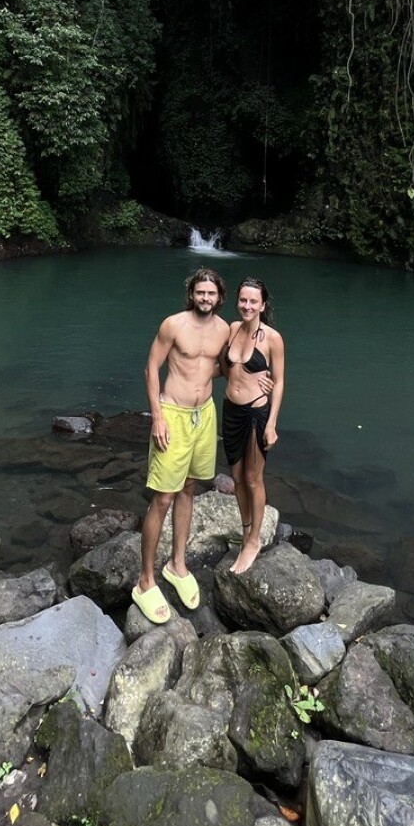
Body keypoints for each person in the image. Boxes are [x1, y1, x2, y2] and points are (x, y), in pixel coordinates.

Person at [132, 267, 271, 623]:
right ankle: (145, 581)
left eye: (211, 294)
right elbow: (151, 368)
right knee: (163, 496)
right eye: (200, 293)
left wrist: (259, 380)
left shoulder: (226, 329)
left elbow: (229, 366)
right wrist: (158, 417)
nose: (205, 298)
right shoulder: (173, 325)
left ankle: (177, 566)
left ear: (219, 297)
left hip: (205, 415)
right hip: (173, 415)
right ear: (191, 294)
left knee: (189, 489)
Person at [222, 275, 285, 574]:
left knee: (252, 478)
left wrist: (272, 422)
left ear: (263, 305)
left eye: (253, 302)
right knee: (235, 478)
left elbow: (281, 380)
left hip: (256, 414)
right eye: (243, 300)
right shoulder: (232, 330)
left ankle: (254, 541)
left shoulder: (272, 338)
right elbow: (226, 368)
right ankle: (246, 529)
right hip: (230, 411)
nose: (247, 306)